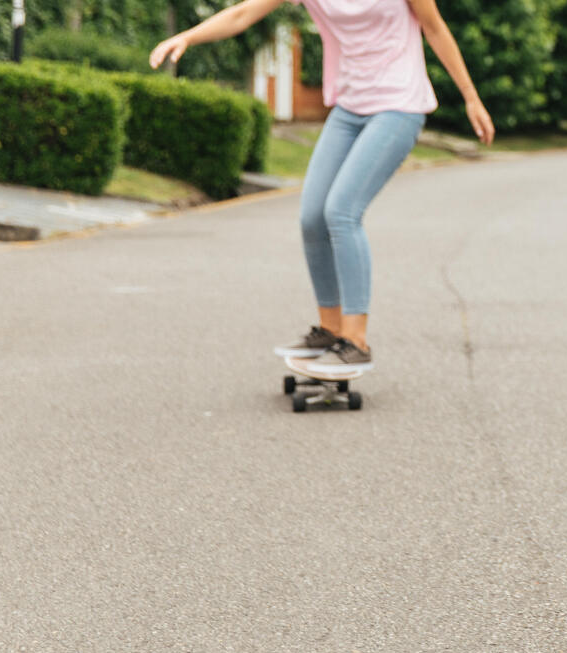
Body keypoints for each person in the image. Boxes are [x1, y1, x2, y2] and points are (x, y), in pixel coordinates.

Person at [150, 0, 495, 374]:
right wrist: (188, 36)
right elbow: (243, 13)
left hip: (398, 106)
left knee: (342, 212)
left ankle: (356, 340)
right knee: (313, 217)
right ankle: (330, 330)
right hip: (349, 108)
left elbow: (435, 28)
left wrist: (471, 97)